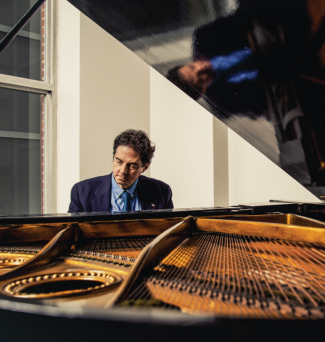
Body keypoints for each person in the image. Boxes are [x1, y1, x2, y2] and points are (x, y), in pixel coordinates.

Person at [68, 129, 173, 213]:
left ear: (144, 167)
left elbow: (169, 234)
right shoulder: (82, 192)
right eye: (119, 162)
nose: (123, 171)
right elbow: (72, 236)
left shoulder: (162, 191)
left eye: (132, 166)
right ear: (113, 158)